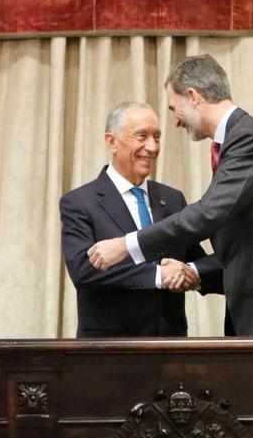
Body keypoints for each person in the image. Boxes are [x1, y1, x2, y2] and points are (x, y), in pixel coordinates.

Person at [85, 54, 253, 336]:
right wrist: (194, 271)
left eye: (175, 108)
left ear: (193, 97)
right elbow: (245, 241)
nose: (176, 121)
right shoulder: (235, 141)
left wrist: (127, 244)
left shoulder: (248, 138)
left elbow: (209, 213)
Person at [60, 102, 221, 338]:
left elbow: (193, 260)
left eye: (157, 137)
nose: (153, 147)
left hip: (171, 346)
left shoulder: (172, 199)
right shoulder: (80, 202)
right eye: (142, 136)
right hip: (110, 351)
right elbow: (85, 270)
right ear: (111, 141)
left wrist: (190, 273)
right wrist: (158, 276)